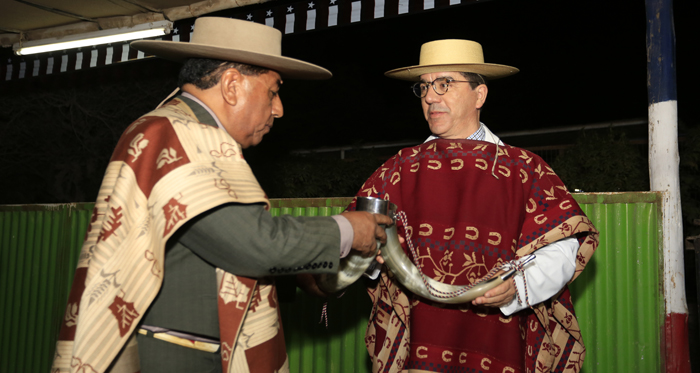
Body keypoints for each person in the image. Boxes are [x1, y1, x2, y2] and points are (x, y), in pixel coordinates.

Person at [50, 17, 392, 373]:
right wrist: (349, 230)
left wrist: (304, 270)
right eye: (273, 92)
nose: (279, 109)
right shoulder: (180, 135)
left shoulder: (182, 131)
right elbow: (254, 245)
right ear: (231, 85)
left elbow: (216, 247)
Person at [351, 39, 599, 373]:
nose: (430, 97)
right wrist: (371, 257)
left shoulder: (523, 169)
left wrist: (517, 287)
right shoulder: (400, 169)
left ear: (479, 95)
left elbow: (564, 248)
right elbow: (357, 240)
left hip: (500, 338)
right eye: (424, 86)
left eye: (444, 84)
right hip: (417, 342)